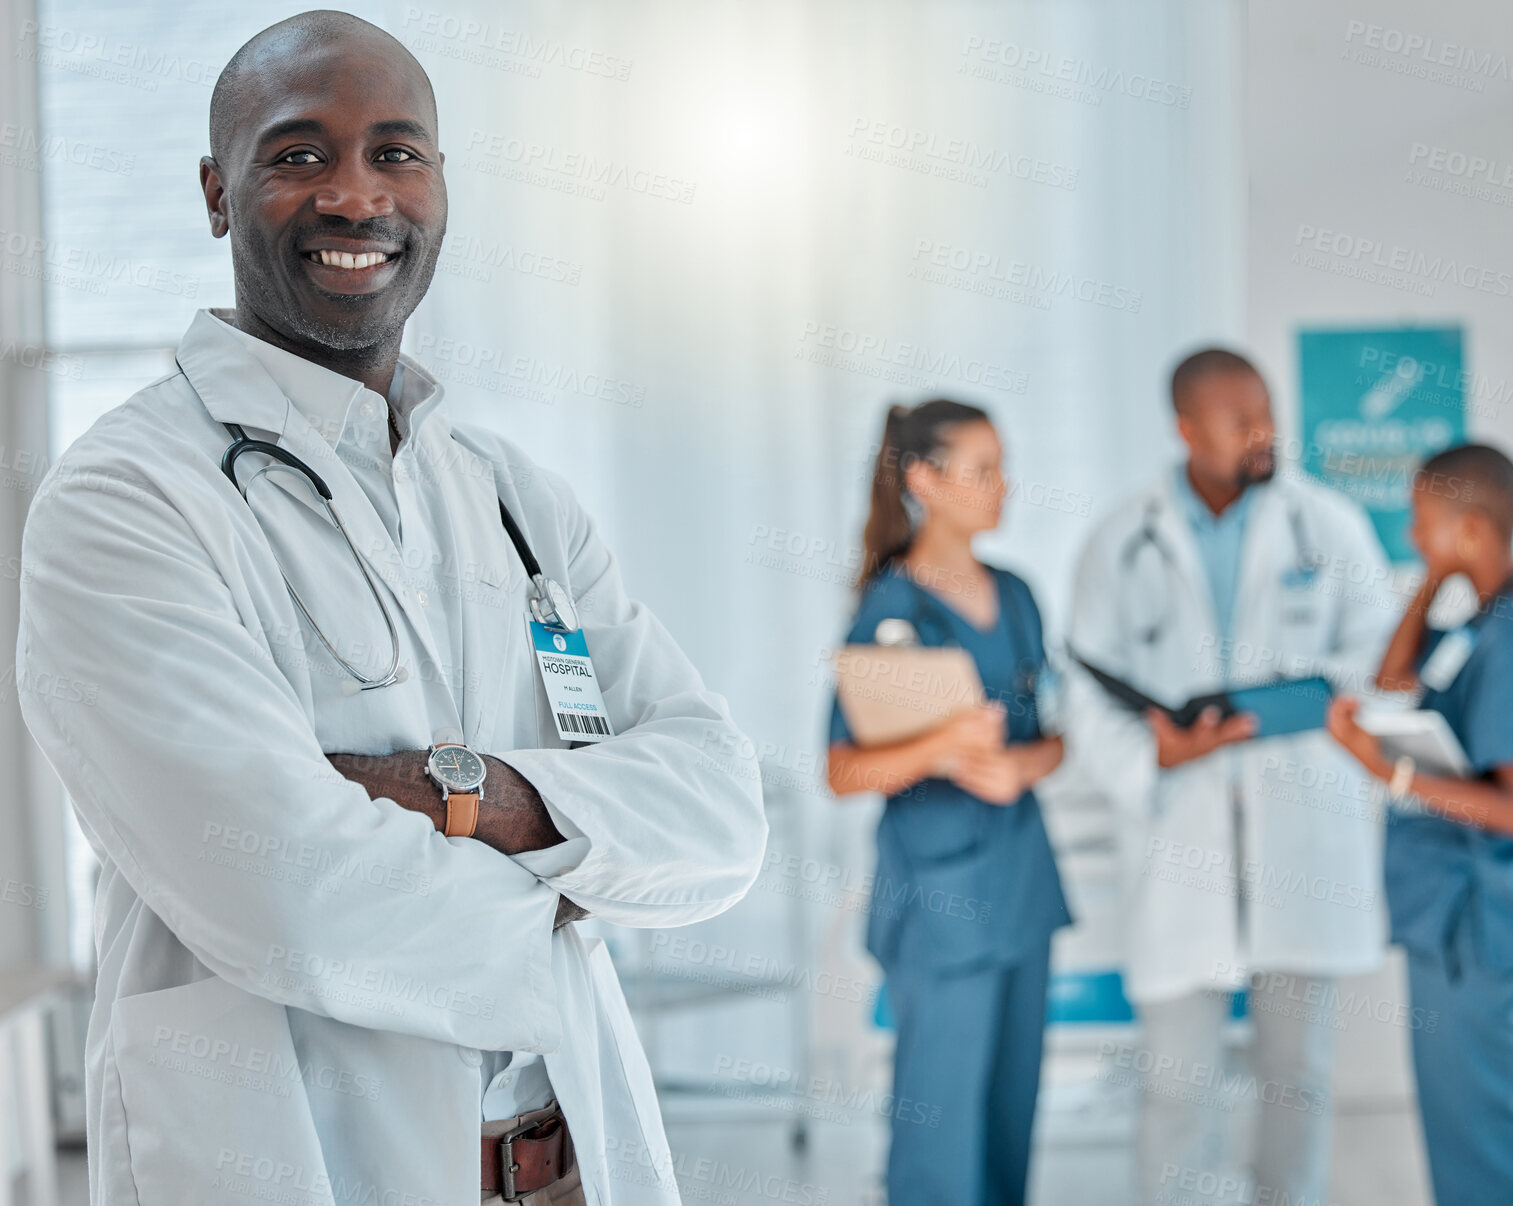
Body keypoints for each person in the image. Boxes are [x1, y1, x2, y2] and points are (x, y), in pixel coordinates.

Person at [14, 12, 766, 1205]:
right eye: (298, 155)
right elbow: (285, 891)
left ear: (442, 185)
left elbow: (722, 807)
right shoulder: (126, 499)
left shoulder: (514, 494)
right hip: (297, 1156)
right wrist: (581, 863)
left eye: (397, 152)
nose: (357, 198)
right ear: (218, 192)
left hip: (561, 1163)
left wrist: (462, 795)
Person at [1059, 348, 1396, 1205]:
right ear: (1184, 428)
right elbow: (1088, 697)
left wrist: (1320, 700)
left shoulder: (1328, 525)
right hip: (1181, 840)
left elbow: (1378, 660)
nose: (1264, 432)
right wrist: (1154, 757)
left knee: (1297, 1078)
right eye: (1240, 417)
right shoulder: (1118, 541)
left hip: (1300, 835)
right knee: (1176, 1088)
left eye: (1267, 412)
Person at [824, 399, 1070, 1206]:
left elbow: (1056, 737)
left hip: (1022, 888)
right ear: (925, 480)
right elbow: (843, 770)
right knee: (940, 1131)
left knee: (1009, 1116)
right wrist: (944, 748)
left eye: (1003, 468)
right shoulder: (893, 611)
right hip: (939, 905)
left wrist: (1017, 766)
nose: (1005, 487)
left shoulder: (1020, 596)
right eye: (984, 470)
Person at [1327, 442, 1513, 1206]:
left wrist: (1391, 772)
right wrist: (1433, 575)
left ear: (1472, 528)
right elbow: (1394, 679)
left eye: (1423, 522)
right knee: (1464, 1123)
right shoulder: (1479, 621)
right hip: (1451, 919)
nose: (1410, 535)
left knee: (1480, 1134)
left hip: (1479, 918)